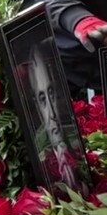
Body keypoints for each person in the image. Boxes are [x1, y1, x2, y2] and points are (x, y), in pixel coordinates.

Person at [22, 40, 84, 193]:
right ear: (36, 105)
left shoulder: (76, 143)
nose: (52, 113)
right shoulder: (41, 158)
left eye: (51, 94)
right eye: (43, 99)